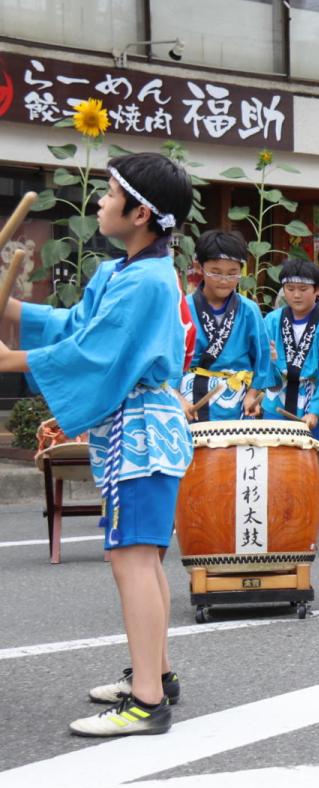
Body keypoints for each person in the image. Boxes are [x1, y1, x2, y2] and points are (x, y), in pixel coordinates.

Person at [0, 152, 193, 735]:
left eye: (110, 195)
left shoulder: (149, 281)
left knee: (132, 558)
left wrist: (11, 359)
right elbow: (76, 327)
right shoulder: (121, 273)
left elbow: (94, 354)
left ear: (139, 213)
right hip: (130, 429)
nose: (101, 203)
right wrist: (8, 307)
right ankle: (154, 673)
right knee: (141, 557)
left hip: (142, 429)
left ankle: (146, 701)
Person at [261, 258, 319, 540]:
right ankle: (283, 518)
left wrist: (316, 411)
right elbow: (263, 365)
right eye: (289, 288)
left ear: (318, 291)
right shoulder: (272, 321)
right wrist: (264, 378)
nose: (295, 295)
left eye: (303, 289)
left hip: (314, 400)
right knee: (278, 463)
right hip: (279, 400)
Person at [179, 229, 272, 423]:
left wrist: (252, 394)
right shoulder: (183, 308)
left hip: (239, 399)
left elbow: (262, 359)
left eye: (232, 274)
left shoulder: (249, 310)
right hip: (191, 398)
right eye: (216, 272)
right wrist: (177, 398)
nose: (224, 280)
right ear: (200, 267)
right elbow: (172, 360)